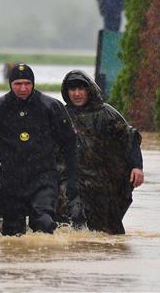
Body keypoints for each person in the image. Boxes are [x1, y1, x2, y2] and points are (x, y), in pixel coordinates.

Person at [0, 63, 81, 235]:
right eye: (18, 84)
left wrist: (73, 179)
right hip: (11, 180)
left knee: (43, 222)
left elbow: (69, 141)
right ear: (10, 84)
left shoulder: (50, 106)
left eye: (27, 83)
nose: (23, 88)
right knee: (12, 235)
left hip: (43, 178)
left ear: (33, 83)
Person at [59, 70, 144, 234]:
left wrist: (137, 167)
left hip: (101, 183)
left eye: (81, 89)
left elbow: (129, 138)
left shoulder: (106, 113)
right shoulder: (60, 115)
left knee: (107, 232)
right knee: (69, 226)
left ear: (89, 90)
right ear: (66, 92)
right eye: (72, 89)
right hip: (70, 181)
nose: (77, 94)